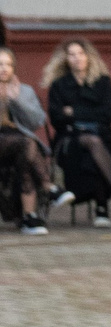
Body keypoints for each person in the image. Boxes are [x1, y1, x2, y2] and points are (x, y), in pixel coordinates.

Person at [43, 37, 111, 220]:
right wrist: (87, 113)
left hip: (101, 133)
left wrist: (73, 111)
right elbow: (56, 118)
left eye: (81, 53)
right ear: (65, 59)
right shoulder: (59, 85)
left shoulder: (102, 82)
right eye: (72, 54)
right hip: (68, 138)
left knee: (97, 148)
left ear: (89, 56)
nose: (77, 58)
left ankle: (103, 206)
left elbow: (107, 114)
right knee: (92, 145)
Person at [0, 48, 51, 235]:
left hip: (18, 142)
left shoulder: (24, 90)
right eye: (0, 64)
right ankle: (49, 188)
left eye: (8, 64)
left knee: (26, 156)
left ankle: (29, 216)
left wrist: (16, 100)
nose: (4, 69)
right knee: (27, 144)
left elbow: (37, 121)